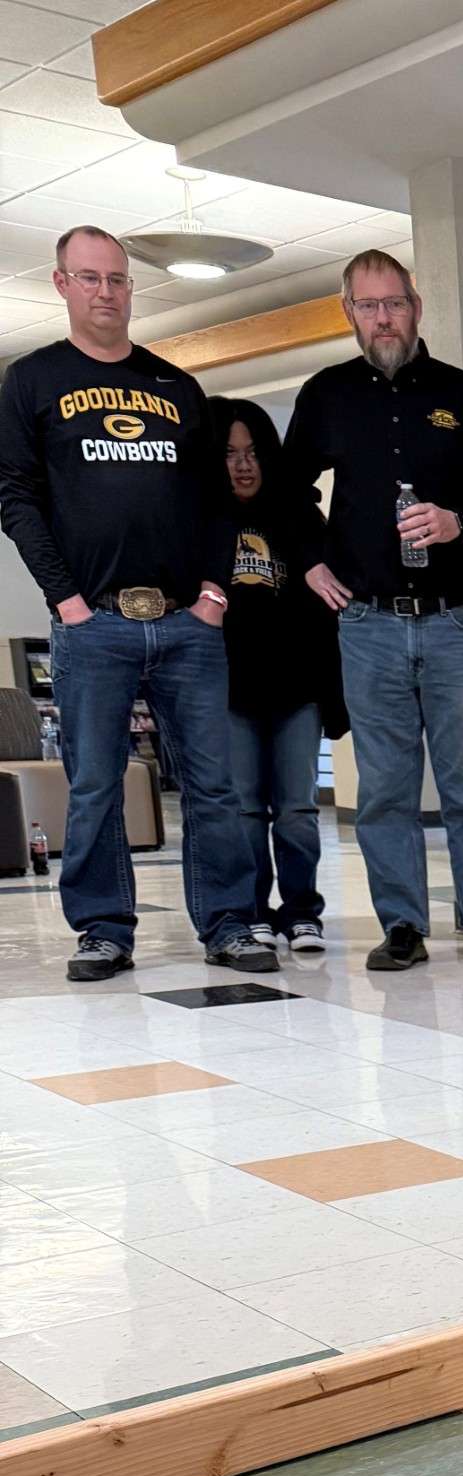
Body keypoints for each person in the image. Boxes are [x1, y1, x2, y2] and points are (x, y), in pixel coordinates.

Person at [0, 226, 277, 982]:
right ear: (61, 284)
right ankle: (102, 931)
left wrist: (215, 595)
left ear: (131, 287)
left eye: (117, 279)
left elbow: (219, 503)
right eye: (89, 278)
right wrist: (67, 601)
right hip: (95, 624)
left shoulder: (175, 387)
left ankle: (228, 923)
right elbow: (16, 499)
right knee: (94, 786)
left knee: (215, 785)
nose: (106, 293)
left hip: (188, 625)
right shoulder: (32, 382)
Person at [286, 249, 463, 972]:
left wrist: (459, 521)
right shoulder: (326, 395)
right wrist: (310, 562)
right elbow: (284, 492)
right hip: (367, 625)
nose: (383, 318)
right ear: (349, 314)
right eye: (368, 306)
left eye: (394, 302)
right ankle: (402, 927)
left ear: (416, 306)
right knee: (387, 791)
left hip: (455, 619)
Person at [210, 396, 346, 954]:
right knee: (243, 808)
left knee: (295, 809)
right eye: (229, 454)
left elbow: (330, 604)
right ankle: (249, 911)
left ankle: (301, 910)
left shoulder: (299, 517)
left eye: (253, 453)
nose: (243, 465)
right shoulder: (200, 520)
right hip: (228, 689)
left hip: (297, 685)